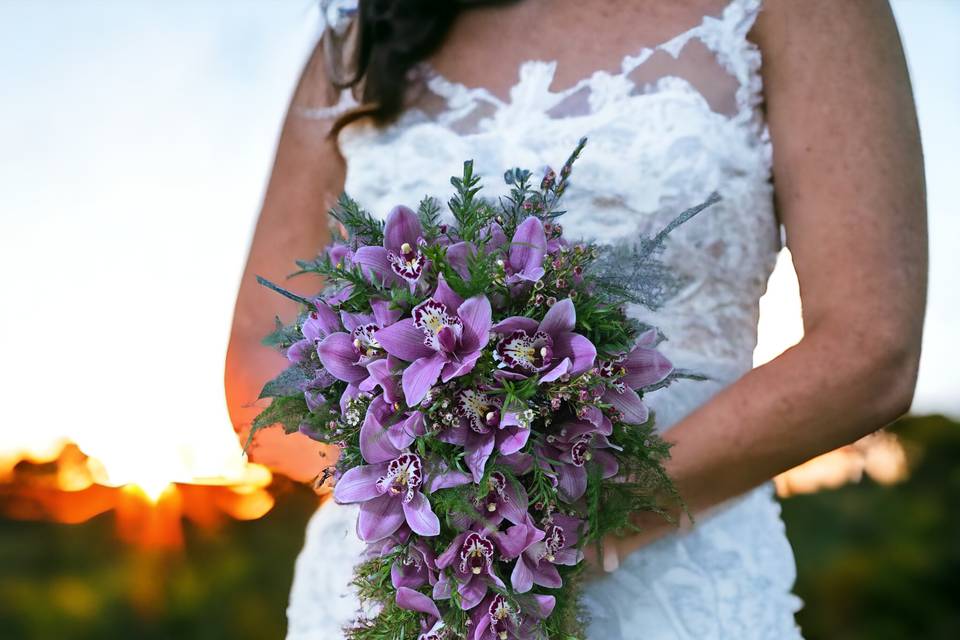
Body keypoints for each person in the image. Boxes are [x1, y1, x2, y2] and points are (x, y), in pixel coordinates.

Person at [224, 1, 927, 637]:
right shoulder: (359, 41)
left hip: (677, 583)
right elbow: (257, 363)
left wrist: (564, 529)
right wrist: (429, 492)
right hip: (404, 587)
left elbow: (871, 346)